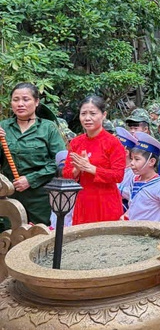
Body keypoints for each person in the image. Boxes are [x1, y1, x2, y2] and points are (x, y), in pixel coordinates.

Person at [0, 83, 66, 226]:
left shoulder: (48, 128)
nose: (20, 104)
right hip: (9, 195)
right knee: (8, 237)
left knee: (38, 236)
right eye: (15, 99)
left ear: (36, 102)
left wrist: (30, 179)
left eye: (25, 99)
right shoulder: (3, 127)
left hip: (39, 197)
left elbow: (58, 161)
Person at [63, 96, 126, 224]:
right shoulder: (76, 143)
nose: (87, 118)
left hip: (106, 200)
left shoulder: (113, 143)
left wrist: (91, 168)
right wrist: (77, 169)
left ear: (103, 115)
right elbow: (66, 173)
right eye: (83, 114)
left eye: (93, 113)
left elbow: (118, 175)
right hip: (84, 199)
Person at [121, 134, 160, 223]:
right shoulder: (134, 180)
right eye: (131, 159)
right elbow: (134, 204)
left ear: (151, 162)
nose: (132, 163)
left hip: (151, 233)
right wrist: (126, 215)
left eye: (137, 159)